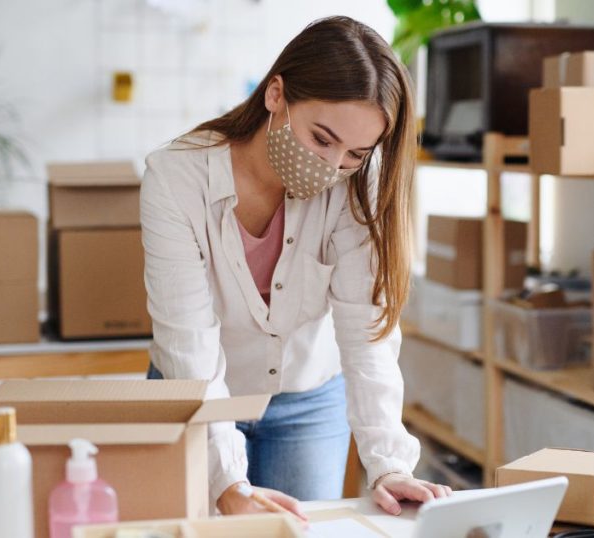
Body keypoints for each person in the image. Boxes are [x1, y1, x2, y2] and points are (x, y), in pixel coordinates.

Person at [140, 15, 451, 520]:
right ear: (276, 95)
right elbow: (188, 345)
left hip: (306, 402)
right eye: (321, 139)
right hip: (194, 395)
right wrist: (228, 483)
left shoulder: (358, 187)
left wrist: (390, 464)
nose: (332, 167)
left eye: (355, 153)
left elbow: (365, 335)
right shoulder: (176, 178)